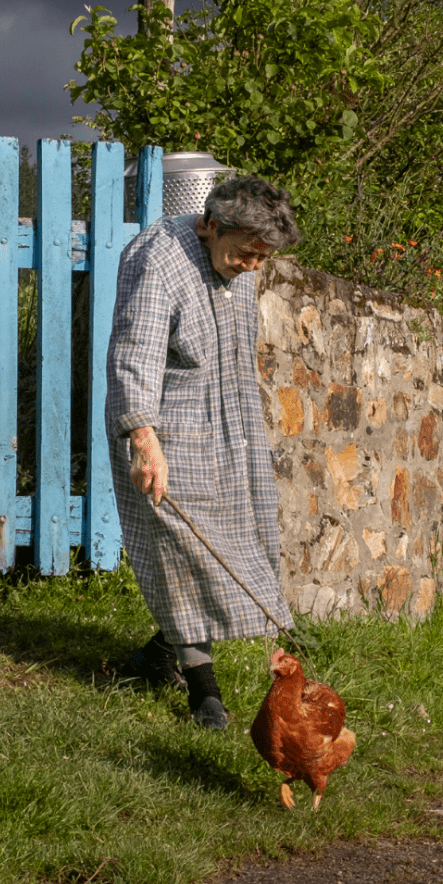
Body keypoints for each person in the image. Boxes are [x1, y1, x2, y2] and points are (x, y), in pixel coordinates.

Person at [106, 174, 301, 729]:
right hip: (168, 431)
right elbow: (135, 351)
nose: (252, 268)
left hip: (229, 429)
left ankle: (157, 655)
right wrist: (145, 440)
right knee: (183, 551)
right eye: (246, 254)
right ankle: (204, 692)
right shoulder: (158, 259)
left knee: (230, 546)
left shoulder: (235, 263)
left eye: (262, 259)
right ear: (211, 224)